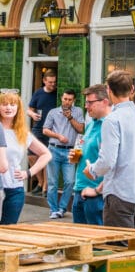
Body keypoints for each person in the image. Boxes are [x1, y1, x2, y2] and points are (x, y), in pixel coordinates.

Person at [84, 70, 135, 228]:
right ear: (132, 89)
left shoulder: (112, 120)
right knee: (131, 247)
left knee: (117, 248)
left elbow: (107, 161)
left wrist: (92, 170)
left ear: (108, 90)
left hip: (120, 193)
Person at [0, 92, 49, 224]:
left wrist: (28, 173)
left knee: (8, 232)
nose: (8, 107)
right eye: (4, 104)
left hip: (15, 188)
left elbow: (46, 154)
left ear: (18, 108)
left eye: (12, 104)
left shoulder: (22, 132)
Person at [71, 84, 110, 226]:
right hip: (79, 189)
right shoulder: (91, 124)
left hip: (96, 195)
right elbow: (86, 150)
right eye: (85, 102)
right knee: (79, 244)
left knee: (98, 246)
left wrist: (98, 190)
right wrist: (77, 156)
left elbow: (115, 163)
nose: (86, 106)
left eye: (90, 102)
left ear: (104, 102)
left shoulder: (110, 126)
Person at [42, 88, 85, 219]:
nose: (67, 102)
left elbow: (81, 129)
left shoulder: (78, 111)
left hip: (70, 151)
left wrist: (70, 117)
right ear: (61, 98)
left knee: (70, 181)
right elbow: (45, 130)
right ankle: (53, 209)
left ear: (74, 100)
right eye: (65, 99)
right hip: (54, 149)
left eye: (70, 100)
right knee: (53, 182)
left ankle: (62, 208)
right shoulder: (53, 112)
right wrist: (58, 136)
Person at [27, 70, 57, 192]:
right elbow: (29, 109)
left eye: (54, 82)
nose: (53, 84)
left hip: (52, 129)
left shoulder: (57, 93)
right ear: (44, 81)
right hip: (38, 128)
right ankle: (40, 181)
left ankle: (45, 186)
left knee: (47, 156)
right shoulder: (38, 93)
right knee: (31, 156)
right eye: (50, 82)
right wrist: (32, 115)